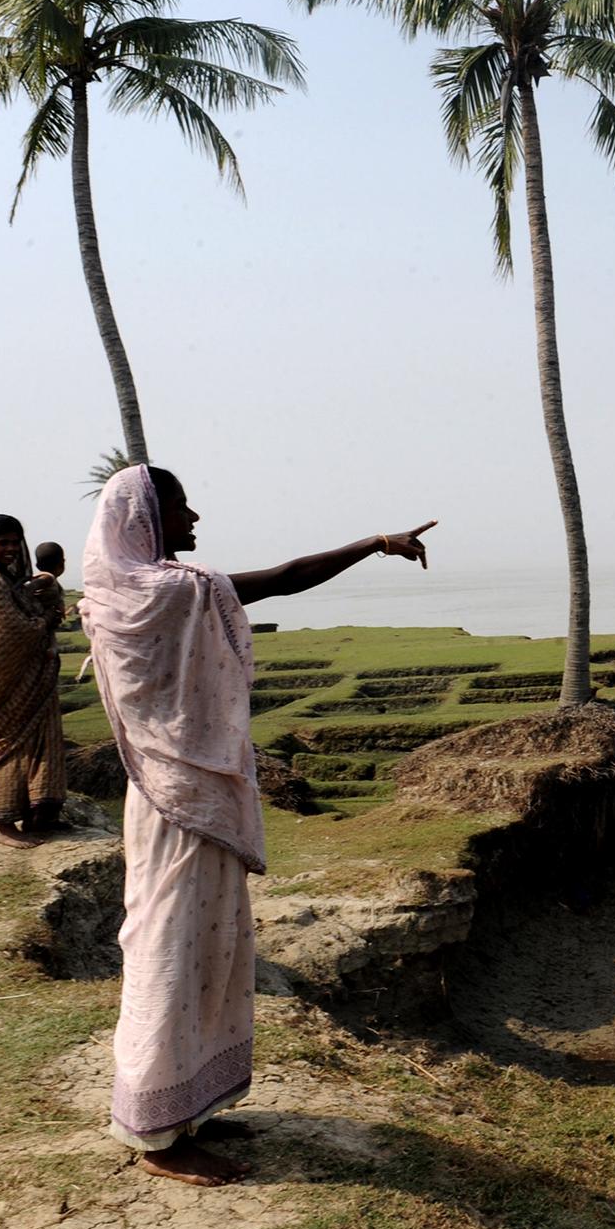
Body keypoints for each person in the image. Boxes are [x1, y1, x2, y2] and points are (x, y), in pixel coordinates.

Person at [82, 464, 434, 1187]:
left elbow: (273, 579)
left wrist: (372, 543)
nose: (195, 517)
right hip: (184, 802)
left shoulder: (113, 596)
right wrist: (374, 543)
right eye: (181, 506)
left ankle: (191, 1104)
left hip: (169, 796)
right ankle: (158, 1133)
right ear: (148, 516)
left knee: (204, 946)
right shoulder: (174, 593)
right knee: (173, 953)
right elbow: (281, 578)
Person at [0, 514, 66, 849]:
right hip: (9, 682)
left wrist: (45, 601)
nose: (9, 548)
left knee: (40, 743)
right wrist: (45, 620)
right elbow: (9, 633)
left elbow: (34, 611)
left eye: (14, 541)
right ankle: (5, 823)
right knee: (9, 745)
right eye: (2, 542)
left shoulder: (14, 581)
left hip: (33, 675)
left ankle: (38, 814)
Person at [29, 542, 68, 625]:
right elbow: (31, 587)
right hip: (41, 622)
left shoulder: (50, 579)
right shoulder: (47, 577)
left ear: (37, 566)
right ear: (62, 563)